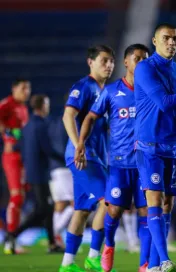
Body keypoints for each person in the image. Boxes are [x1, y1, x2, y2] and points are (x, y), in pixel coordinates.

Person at [76, 44, 150, 272]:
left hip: (146, 163)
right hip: (119, 163)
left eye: (145, 59)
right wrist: (81, 143)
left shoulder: (152, 91)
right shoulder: (111, 91)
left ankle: (145, 263)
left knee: (146, 212)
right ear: (126, 63)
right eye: (136, 58)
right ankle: (109, 245)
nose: (141, 63)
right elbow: (89, 117)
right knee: (114, 211)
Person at [134, 23, 176, 272]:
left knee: (168, 203)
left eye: (175, 39)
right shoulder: (145, 68)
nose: (172, 43)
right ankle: (163, 259)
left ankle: (154, 266)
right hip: (150, 144)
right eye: (166, 38)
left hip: (174, 146)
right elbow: (165, 102)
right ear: (155, 41)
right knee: (155, 201)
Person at [59, 45, 115, 272]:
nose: (109, 65)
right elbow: (67, 115)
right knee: (109, 202)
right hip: (84, 157)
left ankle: (67, 264)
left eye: (111, 61)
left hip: (96, 157)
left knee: (82, 211)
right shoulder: (84, 86)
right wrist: (77, 146)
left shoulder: (105, 91)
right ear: (90, 62)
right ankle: (93, 257)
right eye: (104, 60)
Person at [4, 94, 65, 254]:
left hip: (31, 171)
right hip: (40, 172)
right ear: (43, 106)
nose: (48, 107)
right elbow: (47, 149)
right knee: (44, 208)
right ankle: (13, 234)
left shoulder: (28, 125)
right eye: (47, 104)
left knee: (48, 208)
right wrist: (66, 160)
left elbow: (20, 146)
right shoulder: (41, 125)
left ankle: (52, 243)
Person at [0, 79, 30, 254]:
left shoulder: (23, 108)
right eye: (23, 88)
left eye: (28, 88)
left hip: (23, 156)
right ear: (14, 89)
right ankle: (10, 240)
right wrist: (8, 137)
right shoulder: (7, 104)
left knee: (21, 198)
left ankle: (12, 240)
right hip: (11, 156)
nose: (26, 91)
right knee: (16, 197)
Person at [48, 92, 74, 246]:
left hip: (54, 167)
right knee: (75, 203)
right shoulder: (67, 121)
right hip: (64, 167)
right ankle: (54, 232)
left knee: (60, 203)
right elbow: (64, 146)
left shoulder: (54, 121)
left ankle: (55, 237)